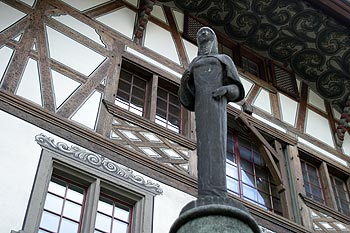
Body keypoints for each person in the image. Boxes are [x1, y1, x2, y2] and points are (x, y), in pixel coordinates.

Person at [179, 27, 245, 197]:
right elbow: (187, 97)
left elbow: (237, 90)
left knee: (216, 143)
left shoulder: (223, 59)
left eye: (207, 32)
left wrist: (225, 90)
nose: (202, 33)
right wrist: (185, 82)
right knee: (203, 144)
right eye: (200, 32)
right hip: (201, 106)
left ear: (214, 38)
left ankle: (218, 190)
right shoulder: (194, 63)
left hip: (217, 105)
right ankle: (206, 189)